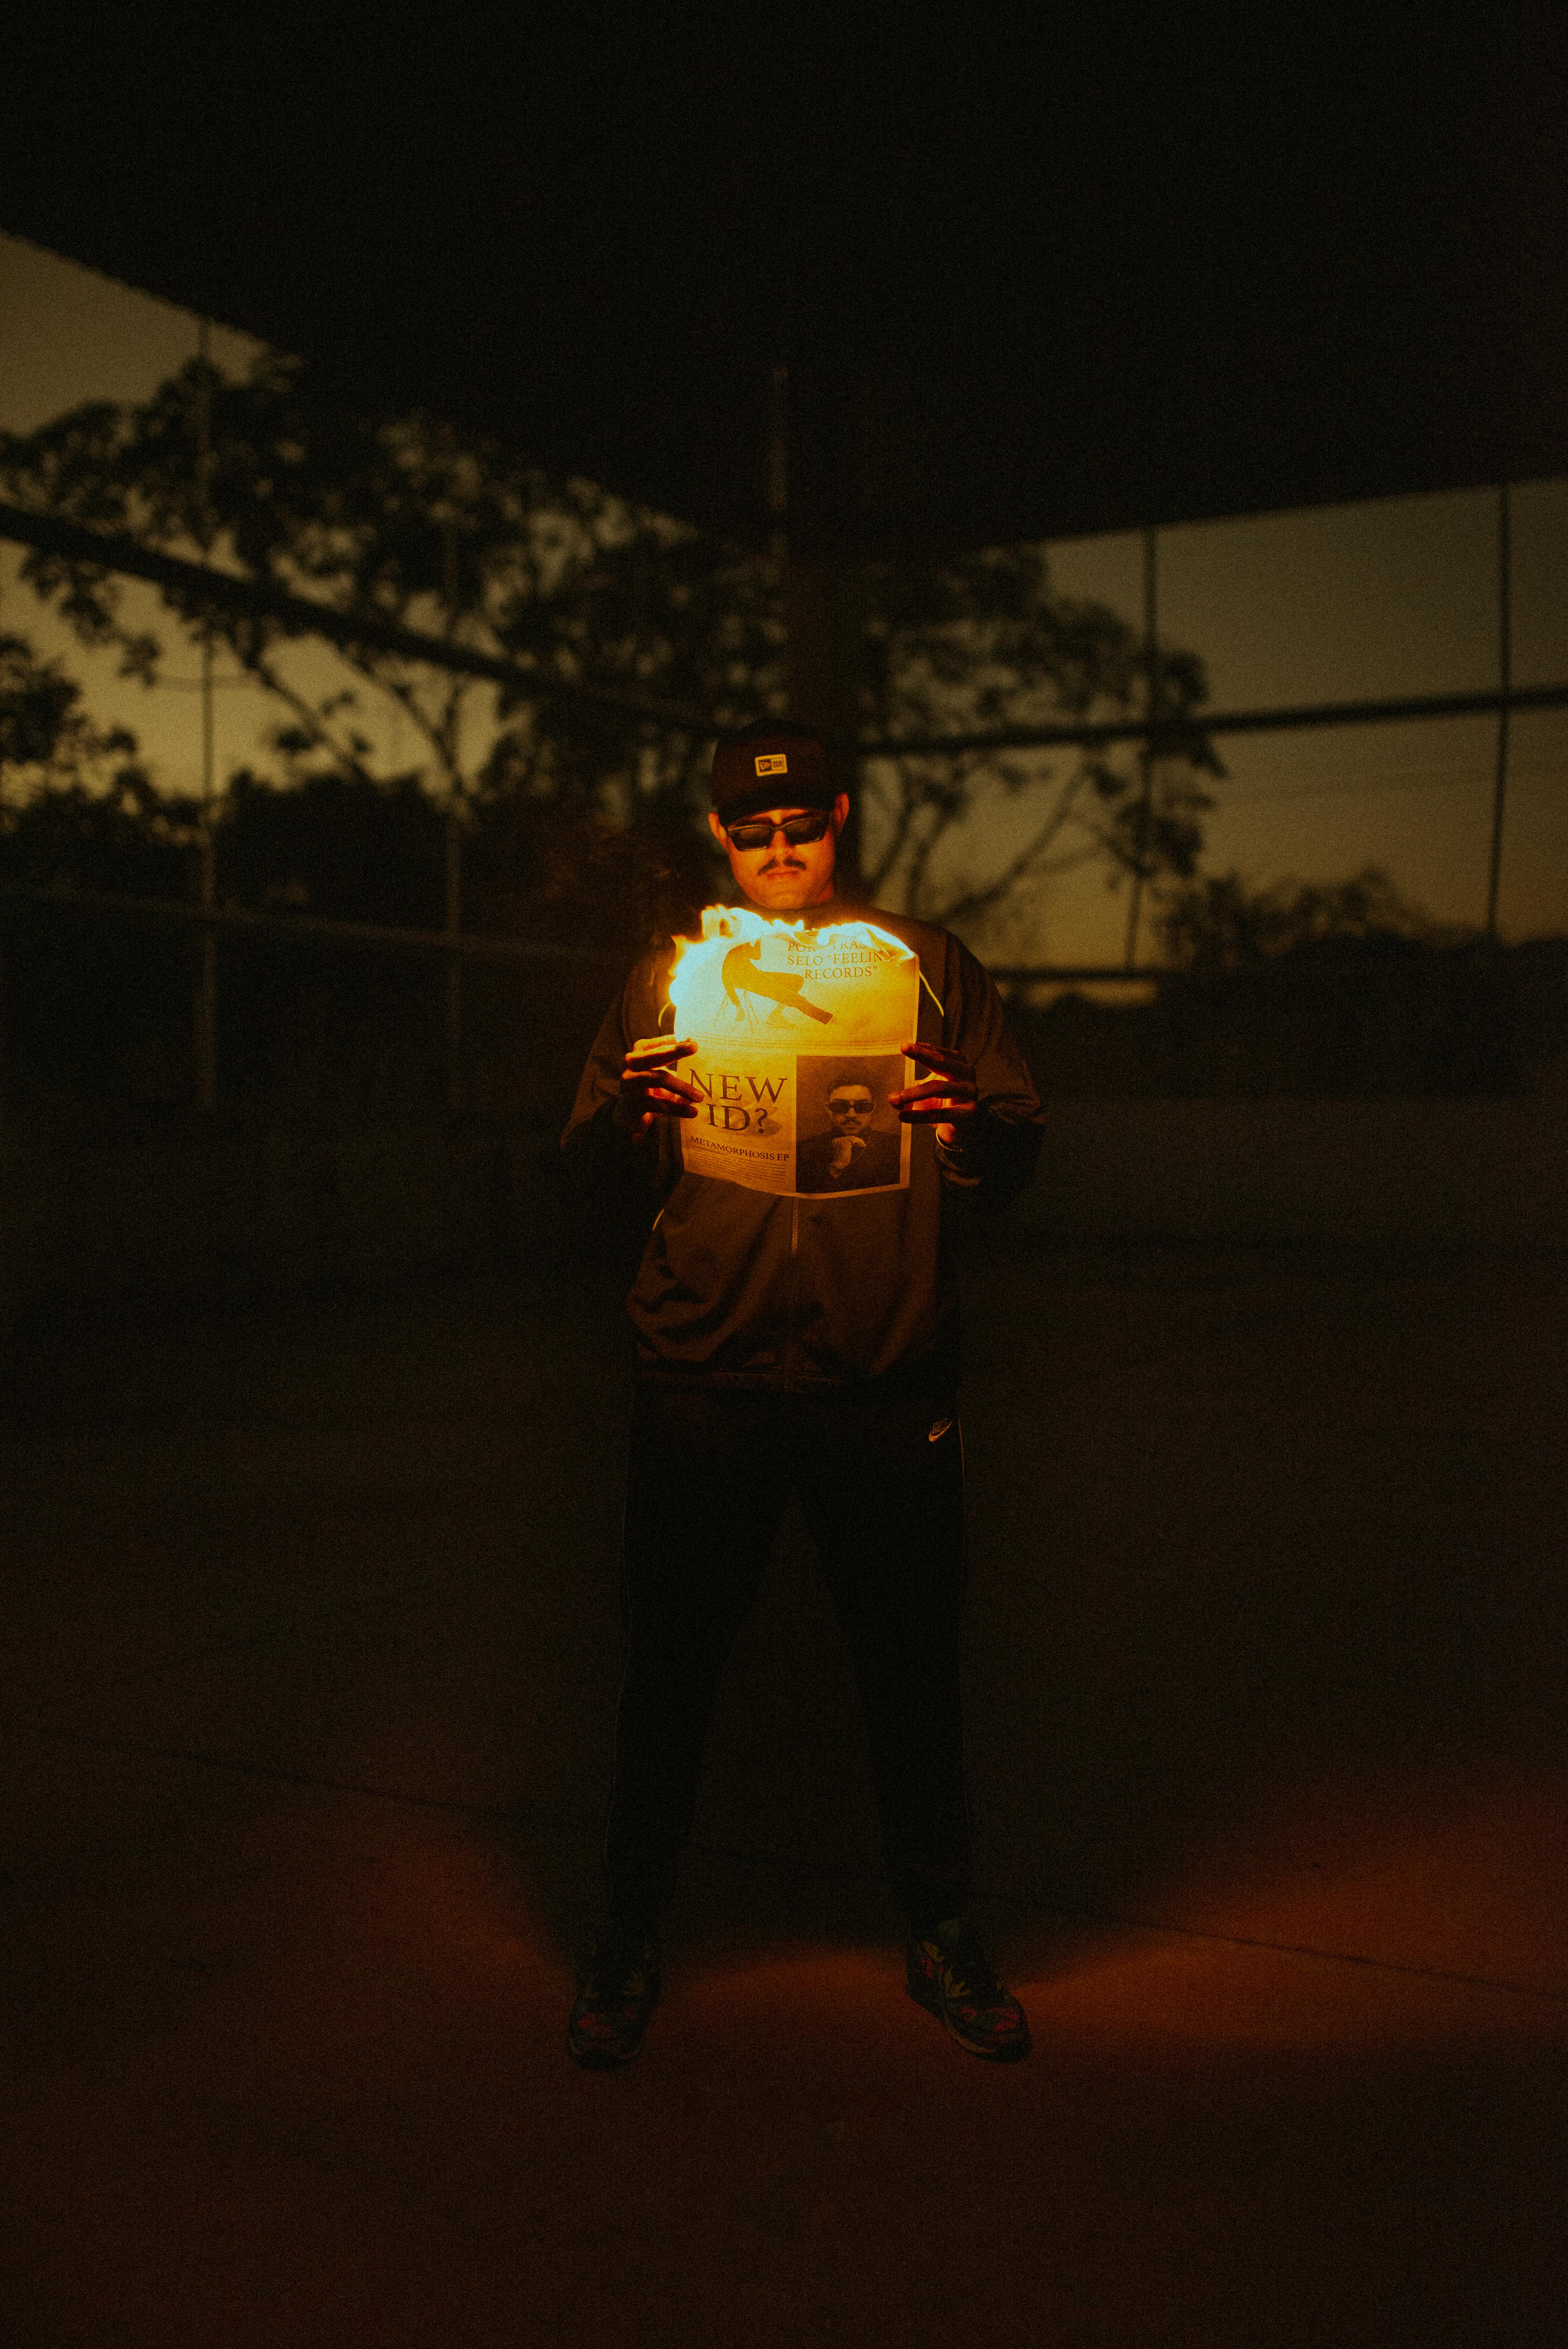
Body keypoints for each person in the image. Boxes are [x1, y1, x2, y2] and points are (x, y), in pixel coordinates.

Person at [559, 719, 1044, 2069]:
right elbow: (587, 1175)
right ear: (720, 837)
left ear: (838, 820)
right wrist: (636, 1117)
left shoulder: (924, 966)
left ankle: (940, 1927)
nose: (777, 852)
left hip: (881, 1377)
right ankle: (628, 1929)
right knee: (667, 1671)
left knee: (910, 1675)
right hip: (702, 1375)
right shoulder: (676, 973)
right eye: (750, 833)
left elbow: (1015, 1145)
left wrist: (962, 1131)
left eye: (800, 828)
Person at [794, 1074, 904, 1193]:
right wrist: (838, 1164)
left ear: (872, 1109)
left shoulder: (896, 1146)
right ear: (829, 1110)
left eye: (862, 1107)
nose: (851, 1115)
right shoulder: (804, 1150)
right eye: (840, 1106)